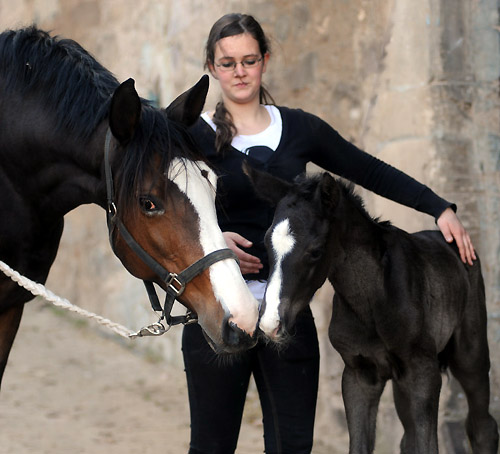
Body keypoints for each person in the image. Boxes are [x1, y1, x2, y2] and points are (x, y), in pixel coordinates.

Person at [182, 13, 476, 454]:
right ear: (211, 66)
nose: (239, 72)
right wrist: (212, 242)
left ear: (264, 61)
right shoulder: (191, 135)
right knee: (211, 446)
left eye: (248, 60)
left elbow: (368, 168)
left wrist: (438, 208)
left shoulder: (299, 129)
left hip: (288, 313)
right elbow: (162, 209)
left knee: (293, 447)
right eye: (227, 63)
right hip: (218, 312)